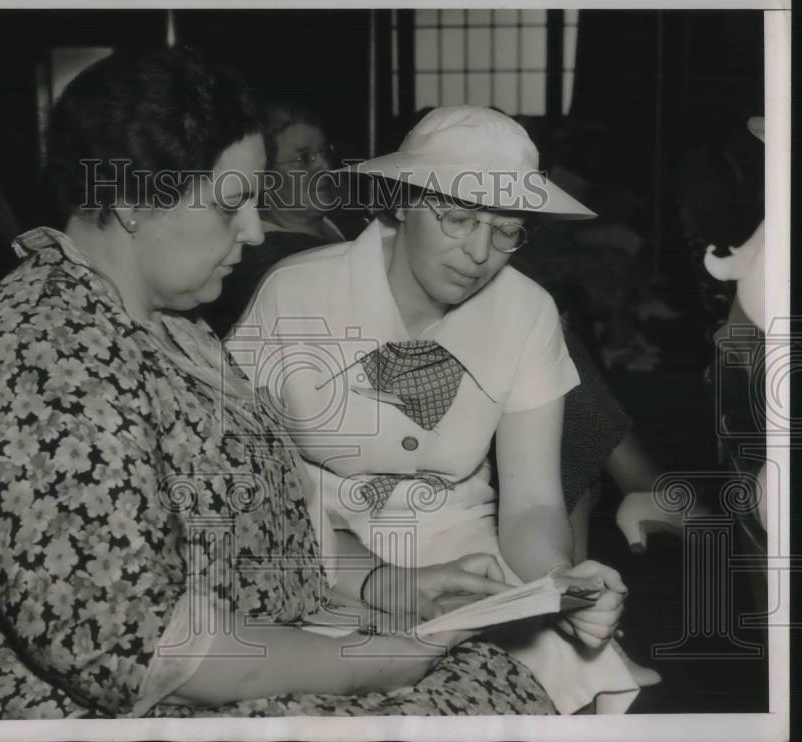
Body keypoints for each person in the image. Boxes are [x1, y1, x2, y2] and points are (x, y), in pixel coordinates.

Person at [0, 49, 557, 720]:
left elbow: (265, 514)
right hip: (61, 697)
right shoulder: (44, 365)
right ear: (136, 199)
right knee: (466, 701)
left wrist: (390, 584)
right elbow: (138, 648)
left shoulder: (168, 326)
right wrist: (363, 661)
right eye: (231, 206)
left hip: (229, 640)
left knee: (491, 676)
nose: (255, 231)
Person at [234, 106, 641, 713]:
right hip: (315, 550)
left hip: (460, 556)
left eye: (507, 231)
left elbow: (531, 503)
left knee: (552, 663)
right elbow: (244, 484)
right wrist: (365, 577)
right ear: (401, 200)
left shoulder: (527, 312)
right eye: (458, 217)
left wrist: (557, 579)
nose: (480, 252)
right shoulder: (294, 294)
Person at [200, 99, 366, 338]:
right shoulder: (259, 259)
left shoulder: (346, 222)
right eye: (304, 158)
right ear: (265, 178)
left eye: (324, 152)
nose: (325, 166)